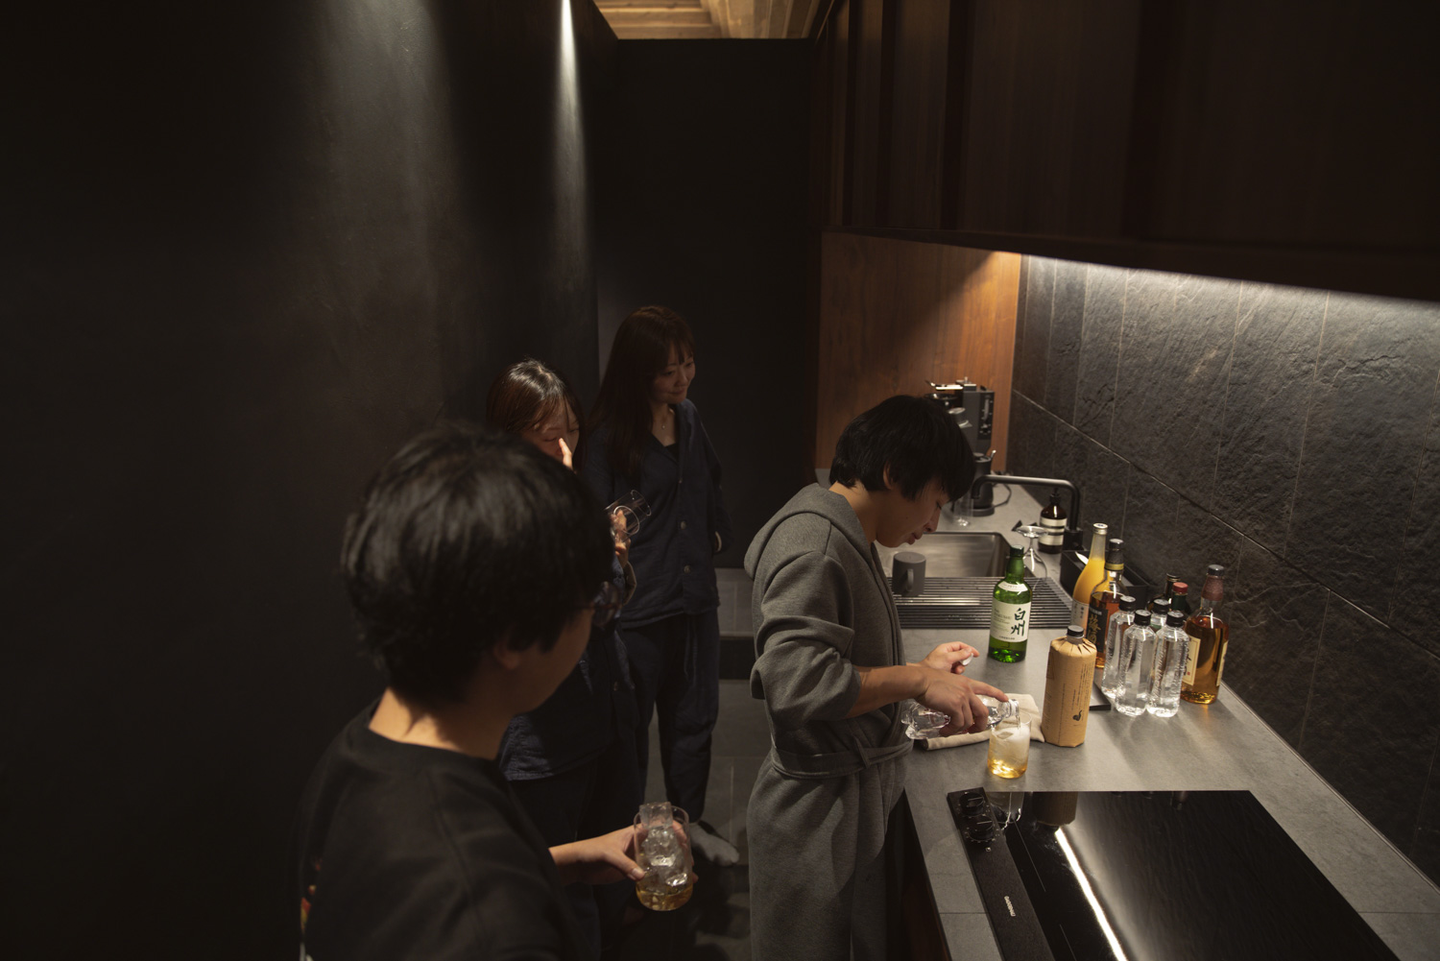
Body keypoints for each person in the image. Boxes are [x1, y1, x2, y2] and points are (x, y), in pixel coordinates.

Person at [290, 424, 642, 961]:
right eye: (591, 604)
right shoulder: (497, 929)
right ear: (513, 637)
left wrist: (563, 861)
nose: (596, 616)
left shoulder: (354, 754)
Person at [743, 395, 1008, 961]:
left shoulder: (844, 528)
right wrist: (916, 681)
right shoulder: (816, 546)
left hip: (841, 811)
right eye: (935, 502)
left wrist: (924, 672)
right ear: (894, 473)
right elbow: (794, 682)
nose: (933, 524)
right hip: (815, 821)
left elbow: (835, 658)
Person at [485, 358, 643, 955]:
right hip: (543, 739)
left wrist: (612, 558)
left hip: (602, 706)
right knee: (558, 897)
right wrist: (600, 555)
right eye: (548, 436)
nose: (566, 449)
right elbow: (575, 614)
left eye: (572, 431)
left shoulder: (566, 500)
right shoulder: (502, 520)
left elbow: (607, 605)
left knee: (609, 858)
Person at [582, 305, 738, 866]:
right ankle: (626, 844)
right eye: (669, 370)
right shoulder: (607, 438)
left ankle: (688, 825)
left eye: (688, 364)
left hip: (694, 602)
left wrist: (715, 534)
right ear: (638, 372)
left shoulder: (688, 417)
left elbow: (710, 480)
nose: (682, 378)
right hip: (638, 611)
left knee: (694, 720)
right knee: (628, 732)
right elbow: (593, 522)